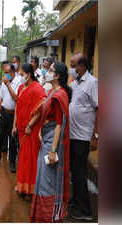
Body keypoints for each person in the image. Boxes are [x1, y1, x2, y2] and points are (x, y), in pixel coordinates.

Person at [30, 62, 71, 222]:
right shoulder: (52, 92)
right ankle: (40, 215)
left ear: (57, 76)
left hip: (52, 144)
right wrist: (41, 129)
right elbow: (50, 118)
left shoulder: (60, 95)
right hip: (46, 140)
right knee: (41, 176)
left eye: (50, 70)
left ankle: (49, 216)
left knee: (48, 180)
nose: (46, 72)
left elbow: (60, 125)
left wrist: (53, 150)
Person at [68, 54, 98, 221]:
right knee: (74, 171)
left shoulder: (92, 83)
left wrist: (95, 136)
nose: (72, 68)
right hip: (72, 135)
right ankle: (76, 201)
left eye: (73, 65)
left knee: (80, 173)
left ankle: (85, 211)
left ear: (82, 66)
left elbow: (100, 108)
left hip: (83, 136)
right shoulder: (75, 83)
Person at [12, 63, 46, 196]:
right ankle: (22, 186)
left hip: (30, 130)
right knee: (23, 158)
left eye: (21, 74)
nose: (20, 77)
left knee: (31, 159)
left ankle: (31, 188)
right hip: (21, 129)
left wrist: (30, 125)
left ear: (28, 74)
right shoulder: (21, 88)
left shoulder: (38, 89)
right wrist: (14, 125)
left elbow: (40, 110)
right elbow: (18, 107)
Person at [0, 63, 22, 173]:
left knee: (12, 139)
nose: (5, 75)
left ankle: (12, 163)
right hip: (4, 113)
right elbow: (1, 99)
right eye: (4, 73)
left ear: (13, 72)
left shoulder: (19, 82)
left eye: (7, 73)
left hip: (13, 115)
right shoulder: (4, 83)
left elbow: (16, 98)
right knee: (0, 136)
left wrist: (8, 84)